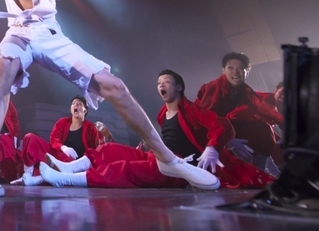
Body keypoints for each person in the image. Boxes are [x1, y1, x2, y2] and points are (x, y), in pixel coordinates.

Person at [0, 0, 219, 196]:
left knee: (115, 86)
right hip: (18, 32)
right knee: (3, 71)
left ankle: (168, 160)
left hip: (48, 34)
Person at [38, 70, 274, 189]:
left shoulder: (192, 110)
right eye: (159, 83)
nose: (161, 85)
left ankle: (65, 180)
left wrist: (213, 147)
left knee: (124, 169)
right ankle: (69, 167)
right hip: (160, 158)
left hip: (179, 169)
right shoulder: (162, 114)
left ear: (178, 87)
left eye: (166, 82)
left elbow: (221, 125)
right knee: (109, 151)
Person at [195, 52, 284, 171]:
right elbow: (203, 119)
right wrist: (228, 140)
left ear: (247, 72)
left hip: (225, 126)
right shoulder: (214, 87)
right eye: (230, 68)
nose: (235, 72)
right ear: (223, 70)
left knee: (264, 130)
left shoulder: (244, 90)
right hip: (203, 129)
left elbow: (264, 108)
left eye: (240, 68)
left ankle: (259, 171)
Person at [19, 96, 102, 185]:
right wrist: (63, 147)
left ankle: (39, 179)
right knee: (30, 137)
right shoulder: (62, 122)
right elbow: (54, 139)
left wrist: (102, 137)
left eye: (79, 104)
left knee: (69, 166)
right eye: (73, 104)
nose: (75, 105)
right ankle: (27, 175)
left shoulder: (91, 128)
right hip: (55, 157)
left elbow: (96, 149)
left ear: (85, 110)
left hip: (73, 164)